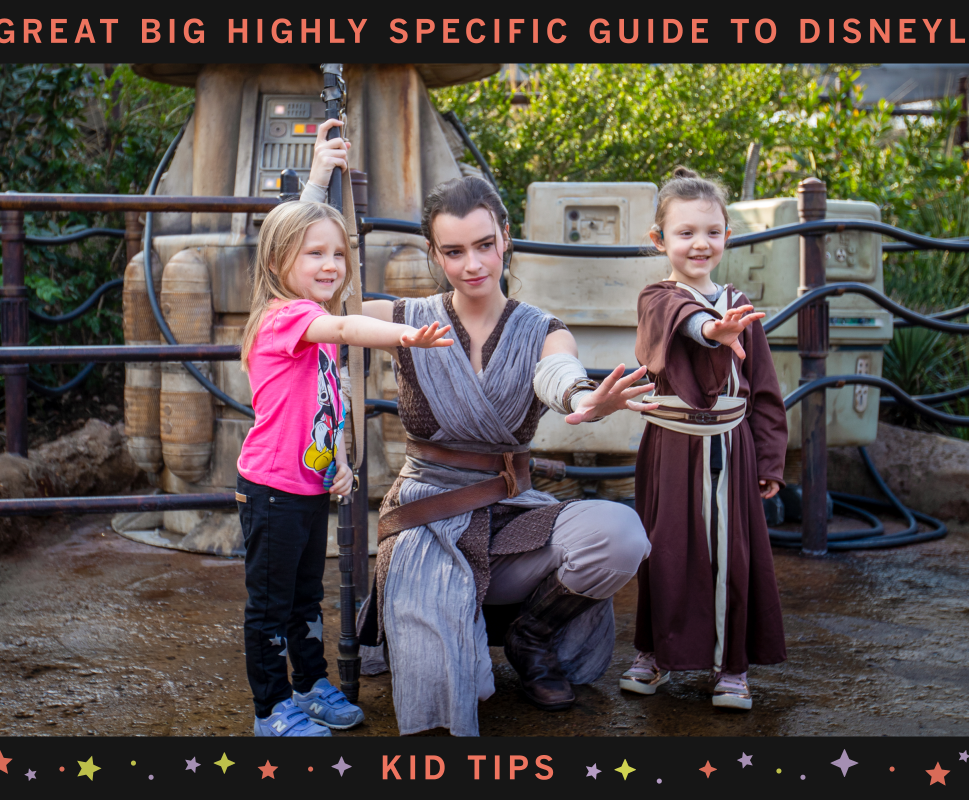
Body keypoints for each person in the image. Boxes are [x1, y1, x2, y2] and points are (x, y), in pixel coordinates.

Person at [306, 164, 656, 735]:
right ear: (435, 254)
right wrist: (318, 187)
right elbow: (298, 291)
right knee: (440, 684)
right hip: (427, 518)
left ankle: (533, 635)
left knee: (621, 535)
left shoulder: (542, 328)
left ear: (505, 238)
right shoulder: (400, 319)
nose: (472, 264)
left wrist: (584, 396)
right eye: (454, 250)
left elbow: (558, 373)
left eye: (485, 245)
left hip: (509, 515)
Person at [237, 119, 454, 737]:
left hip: (307, 486)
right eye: (316, 255)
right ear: (281, 262)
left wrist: (339, 462)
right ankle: (270, 707)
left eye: (340, 253)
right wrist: (405, 336)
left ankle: (308, 684)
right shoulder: (288, 318)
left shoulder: (312, 315)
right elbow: (347, 327)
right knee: (270, 608)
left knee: (306, 600)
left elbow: (325, 408)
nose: (332, 264)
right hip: (272, 492)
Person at [622, 166, 788, 710]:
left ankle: (732, 668)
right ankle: (654, 652)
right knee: (663, 552)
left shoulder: (741, 304)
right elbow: (680, 320)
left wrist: (769, 458)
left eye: (712, 232)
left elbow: (763, 389)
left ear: (727, 237)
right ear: (659, 240)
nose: (700, 243)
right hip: (671, 449)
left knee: (733, 556)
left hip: (732, 451)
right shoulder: (657, 298)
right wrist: (712, 331)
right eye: (685, 232)